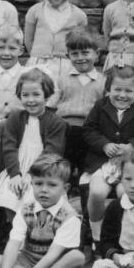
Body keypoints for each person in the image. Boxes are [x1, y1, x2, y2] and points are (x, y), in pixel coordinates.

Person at [0, 153, 85, 268]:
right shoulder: (25, 210)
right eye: (38, 183)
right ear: (32, 183)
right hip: (28, 261)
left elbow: (54, 254)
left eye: (52, 185)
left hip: (56, 264)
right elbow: (14, 244)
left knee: (77, 257)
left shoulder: (69, 217)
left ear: (65, 188)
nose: (44, 190)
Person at [82, 65, 134, 250]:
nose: (122, 95)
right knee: (97, 192)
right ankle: (96, 233)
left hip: (128, 167)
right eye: (117, 89)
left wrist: (131, 146)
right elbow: (89, 130)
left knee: (126, 193)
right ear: (108, 89)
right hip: (102, 163)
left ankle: (126, 234)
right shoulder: (100, 106)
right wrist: (104, 144)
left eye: (128, 91)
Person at [0, 68, 67, 218]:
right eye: (25, 95)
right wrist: (15, 175)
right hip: (15, 168)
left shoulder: (56, 123)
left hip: (43, 171)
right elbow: (9, 147)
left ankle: (31, 231)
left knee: (32, 198)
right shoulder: (15, 118)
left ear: (47, 96)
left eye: (36, 94)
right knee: (9, 194)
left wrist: (31, 176)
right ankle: (11, 228)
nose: (30, 100)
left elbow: (51, 154)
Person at [50, 29, 105, 176]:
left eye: (85, 53)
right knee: (64, 160)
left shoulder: (103, 81)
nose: (80, 58)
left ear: (97, 54)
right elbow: (52, 104)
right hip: (65, 127)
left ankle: (82, 183)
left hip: (90, 128)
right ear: (68, 56)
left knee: (86, 162)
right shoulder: (63, 79)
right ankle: (65, 184)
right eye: (75, 54)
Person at [25, 0, 88, 85]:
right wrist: (38, 56)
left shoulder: (79, 16)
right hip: (39, 65)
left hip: (66, 66)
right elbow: (28, 40)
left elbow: (81, 44)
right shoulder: (35, 11)